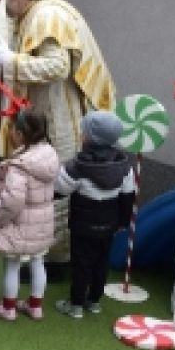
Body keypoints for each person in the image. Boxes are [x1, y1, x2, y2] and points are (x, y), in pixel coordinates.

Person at [0, 0, 116, 277]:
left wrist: (9, 60)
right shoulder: (27, 15)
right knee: (38, 182)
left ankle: (54, 260)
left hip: (59, 112)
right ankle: (37, 254)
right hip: (39, 112)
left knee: (54, 184)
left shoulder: (46, 16)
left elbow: (58, 67)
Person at [53, 111, 136, 318]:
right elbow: (128, 196)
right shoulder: (124, 166)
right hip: (109, 224)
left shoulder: (78, 166)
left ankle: (76, 305)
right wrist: (122, 222)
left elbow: (60, 189)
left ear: (90, 137)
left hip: (83, 226)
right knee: (101, 262)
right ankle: (94, 301)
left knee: (81, 264)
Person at [0, 108, 59, 321]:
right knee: (38, 261)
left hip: (19, 224)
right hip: (42, 223)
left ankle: (8, 308)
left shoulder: (20, 166)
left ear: (20, 134)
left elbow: (12, 201)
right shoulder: (50, 155)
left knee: (12, 264)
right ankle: (35, 306)